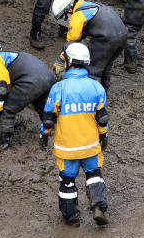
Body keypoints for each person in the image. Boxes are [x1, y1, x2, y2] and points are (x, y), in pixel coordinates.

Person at [39, 43, 110, 226]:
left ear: (69, 62)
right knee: (94, 174)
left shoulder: (58, 88)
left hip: (66, 146)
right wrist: (104, 136)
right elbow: (102, 119)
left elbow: (48, 119)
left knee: (67, 182)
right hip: (90, 144)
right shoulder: (96, 87)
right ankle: (98, 207)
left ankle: (71, 217)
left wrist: (44, 134)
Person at [0, 39, 56, 150]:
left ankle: (2, 143)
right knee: (40, 104)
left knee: (7, 110)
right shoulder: (9, 54)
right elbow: (11, 84)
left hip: (31, 81)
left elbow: (2, 89)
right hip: (49, 77)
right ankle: (51, 127)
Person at [51, 0, 127, 89]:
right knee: (106, 64)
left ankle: (92, 96)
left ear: (69, 10)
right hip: (123, 34)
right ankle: (104, 90)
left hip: (105, 38)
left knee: (92, 70)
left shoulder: (77, 16)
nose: (67, 20)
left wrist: (60, 60)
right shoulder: (89, 5)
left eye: (65, 17)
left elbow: (71, 42)